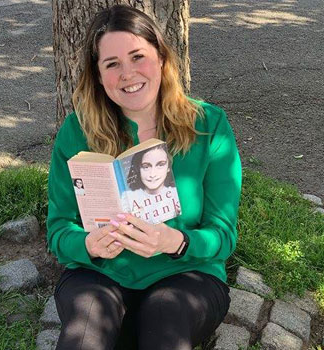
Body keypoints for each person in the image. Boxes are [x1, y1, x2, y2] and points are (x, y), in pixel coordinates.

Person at [47, 4, 242, 350]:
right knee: (84, 334)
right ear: (98, 75)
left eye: (138, 57)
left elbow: (224, 235)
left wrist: (176, 242)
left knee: (165, 326)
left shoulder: (209, 125)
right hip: (100, 274)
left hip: (185, 274)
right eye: (112, 64)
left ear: (162, 58)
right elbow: (59, 229)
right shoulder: (77, 131)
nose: (127, 73)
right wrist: (87, 244)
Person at [121, 144, 181, 223]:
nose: (152, 174)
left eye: (160, 165)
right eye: (146, 167)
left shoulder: (175, 194)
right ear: (139, 169)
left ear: (168, 167)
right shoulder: (127, 197)